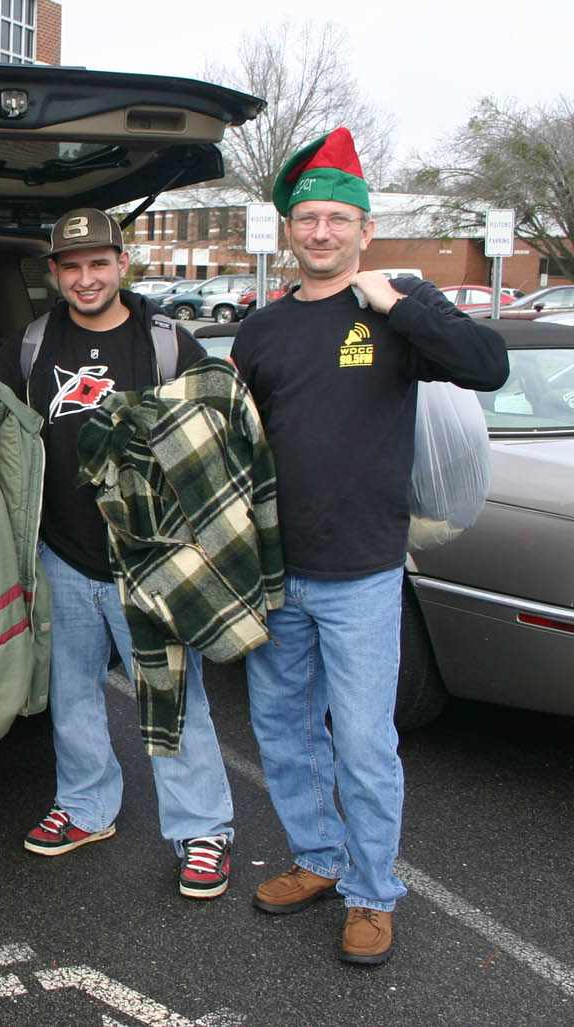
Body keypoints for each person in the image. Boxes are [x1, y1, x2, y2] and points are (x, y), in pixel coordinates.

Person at [231, 127, 507, 965]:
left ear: (363, 228)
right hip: (278, 573)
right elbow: (241, 446)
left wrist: (400, 303)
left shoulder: (397, 311)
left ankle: (371, 891)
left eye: (335, 221)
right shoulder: (261, 331)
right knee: (283, 730)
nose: (320, 233)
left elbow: (488, 364)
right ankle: (318, 857)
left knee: (362, 740)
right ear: (289, 231)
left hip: (362, 574)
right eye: (306, 219)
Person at [0, 207, 237, 899]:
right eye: (71, 266)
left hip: (150, 557)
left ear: (122, 264)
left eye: (98, 263)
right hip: (63, 554)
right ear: (54, 272)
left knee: (173, 698)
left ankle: (203, 828)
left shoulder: (168, 344)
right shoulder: (32, 343)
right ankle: (85, 806)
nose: (86, 277)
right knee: (71, 692)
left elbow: (213, 444)